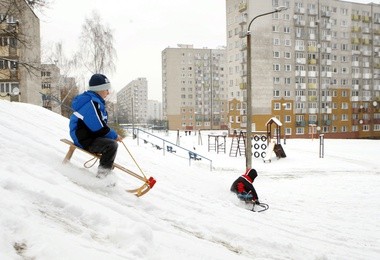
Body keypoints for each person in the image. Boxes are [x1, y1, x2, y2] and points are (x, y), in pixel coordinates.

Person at [69, 73, 122, 178]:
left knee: (110, 144)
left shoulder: (95, 101)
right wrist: (114, 136)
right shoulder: (91, 102)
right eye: (106, 89)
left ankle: (105, 171)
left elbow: (99, 125)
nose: (108, 92)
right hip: (84, 138)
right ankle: (103, 177)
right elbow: (98, 127)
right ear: (99, 90)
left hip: (88, 136)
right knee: (111, 145)